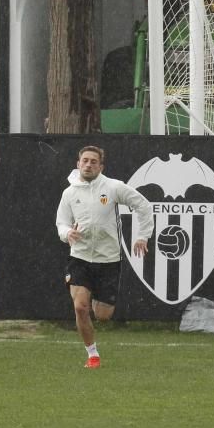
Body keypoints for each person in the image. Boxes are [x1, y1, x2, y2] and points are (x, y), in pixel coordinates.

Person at [56, 146, 153, 369]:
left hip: (108, 259)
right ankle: (92, 355)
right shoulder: (69, 193)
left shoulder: (113, 187)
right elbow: (61, 222)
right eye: (85, 161)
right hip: (79, 257)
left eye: (93, 161)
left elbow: (144, 206)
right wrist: (67, 233)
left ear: (101, 166)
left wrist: (143, 236)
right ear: (78, 163)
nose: (88, 165)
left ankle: (98, 312)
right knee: (80, 307)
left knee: (103, 315)